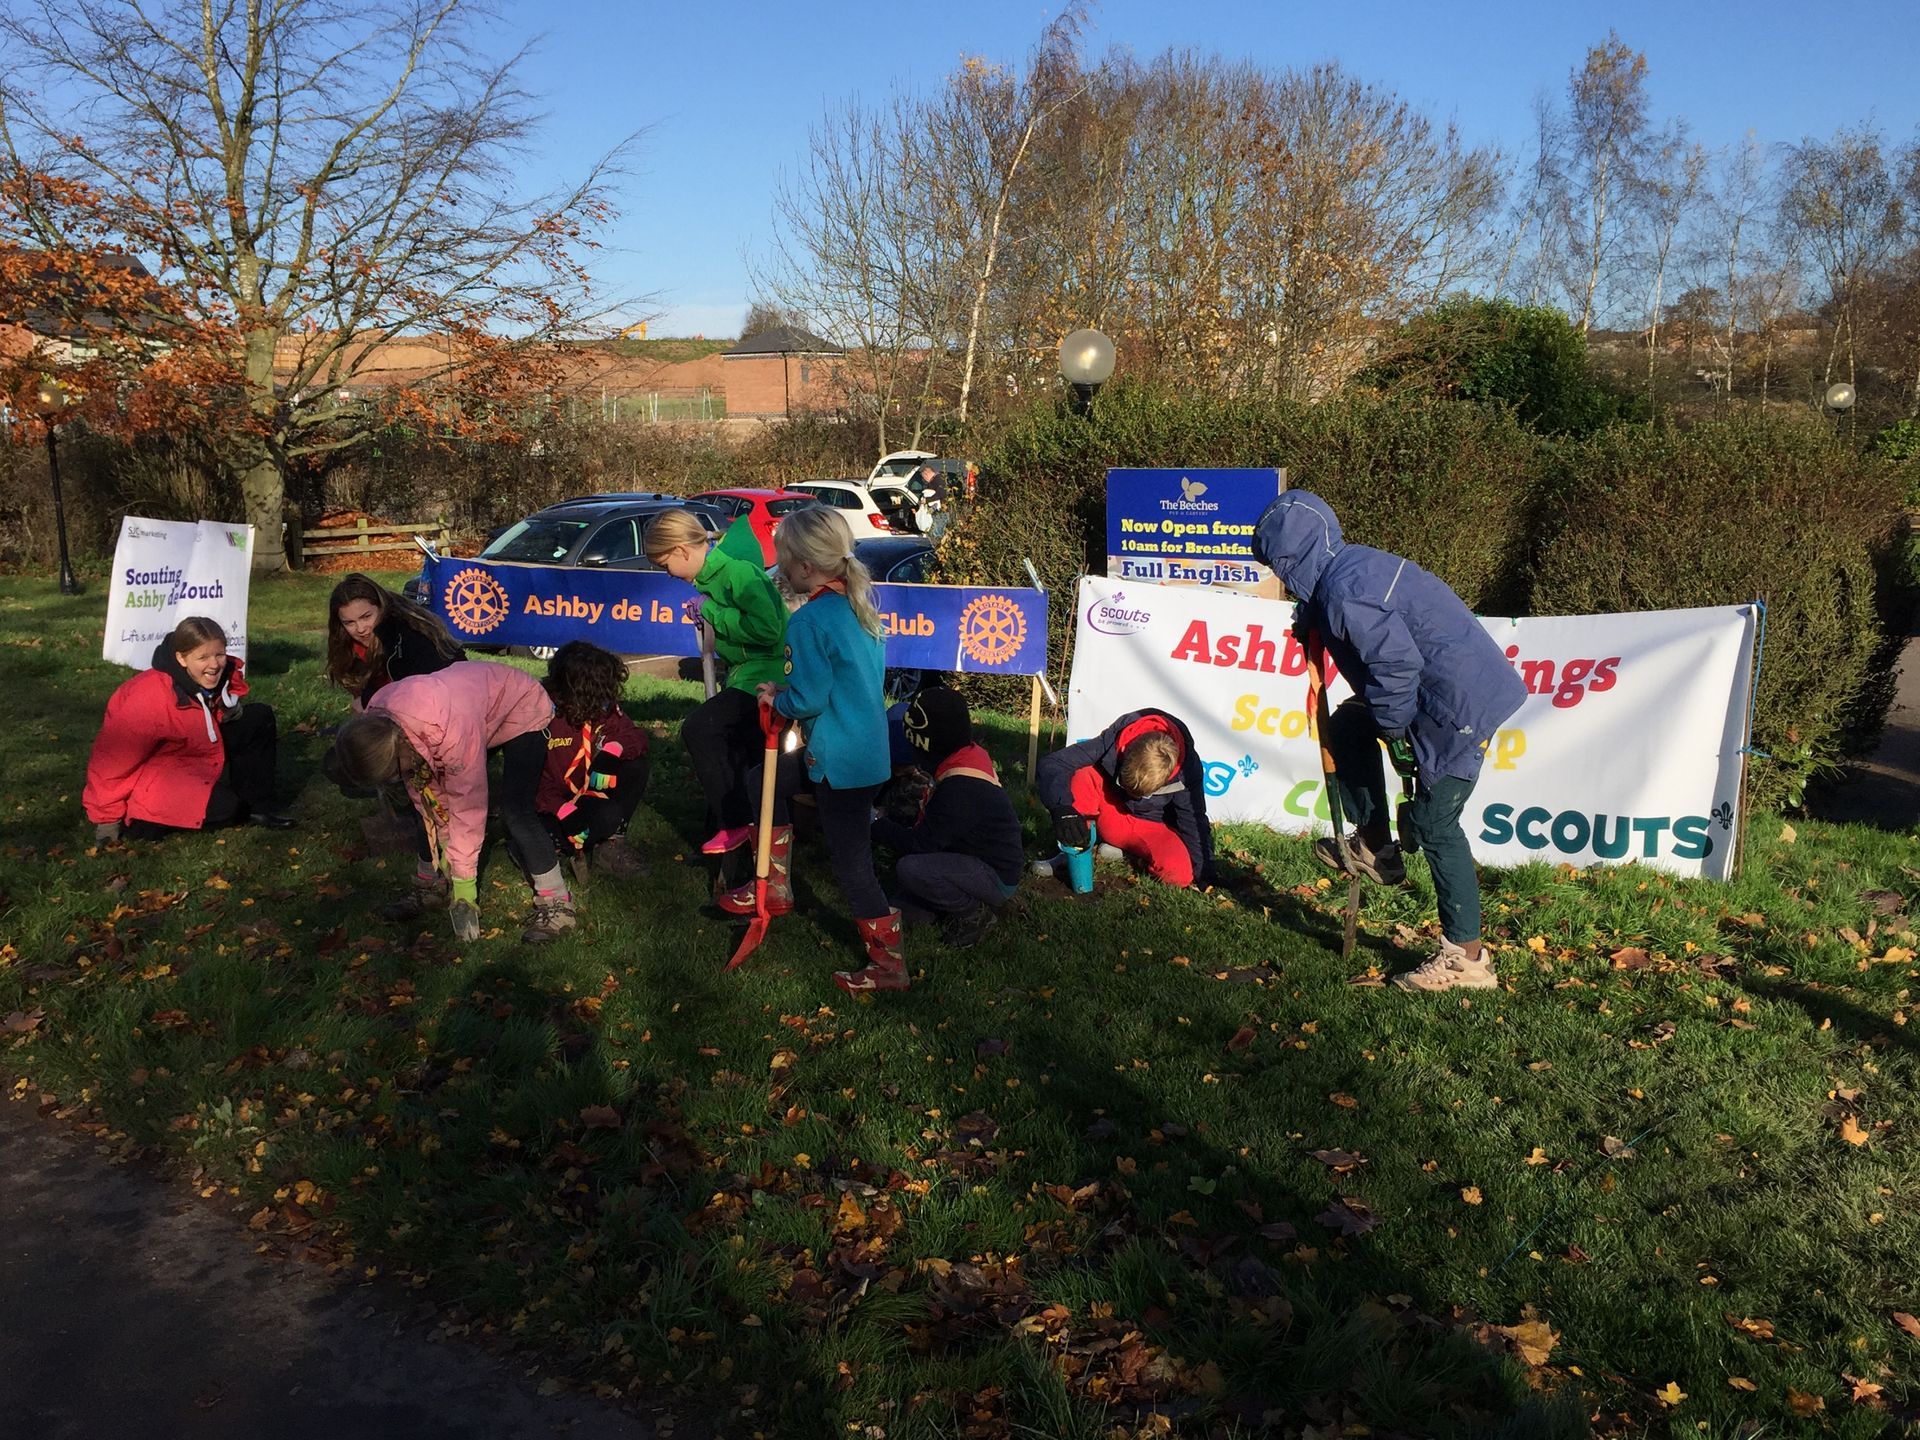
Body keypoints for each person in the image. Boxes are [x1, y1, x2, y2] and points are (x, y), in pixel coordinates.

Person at [1252, 489, 1527, 993]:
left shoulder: (1344, 590)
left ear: (1291, 559)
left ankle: (1466, 963)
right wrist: (1313, 617)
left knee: (1434, 822)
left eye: (1277, 566)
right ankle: (1377, 846)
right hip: (1451, 693)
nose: (1281, 579)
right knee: (1353, 724)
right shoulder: (1347, 571)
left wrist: (1397, 731)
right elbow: (1366, 622)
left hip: (1460, 706)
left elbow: (1396, 663)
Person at [715, 506, 897, 990]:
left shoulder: (809, 621)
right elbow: (840, 681)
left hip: (838, 760)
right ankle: (774, 883)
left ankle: (888, 964)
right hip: (867, 751)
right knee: (763, 783)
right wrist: (791, 688)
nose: (779, 572)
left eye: (783, 563)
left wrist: (779, 697)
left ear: (805, 568)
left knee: (852, 865)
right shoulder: (860, 607)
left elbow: (810, 697)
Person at [329, 659, 572, 945]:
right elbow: (427, 797)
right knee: (425, 809)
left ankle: (557, 902)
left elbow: (468, 806)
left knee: (516, 811)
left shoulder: (447, 731)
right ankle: (430, 884)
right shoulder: (379, 722)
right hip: (462, 710)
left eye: (395, 774)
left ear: (398, 752)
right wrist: (444, 845)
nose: (398, 779)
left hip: (520, 706)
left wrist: (465, 884)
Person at [643, 509, 788, 856]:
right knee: (745, 762)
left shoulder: (736, 572)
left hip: (763, 677)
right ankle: (753, 844)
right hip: (745, 675)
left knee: (700, 729)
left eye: (664, 565)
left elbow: (769, 629)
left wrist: (712, 613)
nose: (668, 574)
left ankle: (735, 823)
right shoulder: (711, 579)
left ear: (681, 550)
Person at [84, 616, 291, 840]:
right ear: (181, 658)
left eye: (219, 654)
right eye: (203, 657)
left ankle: (258, 807)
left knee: (257, 717)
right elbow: (112, 761)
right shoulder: (146, 698)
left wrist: (226, 709)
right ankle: (142, 815)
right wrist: (106, 819)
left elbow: (201, 716)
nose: (214, 664)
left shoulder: (217, 676)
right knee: (229, 809)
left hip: (191, 754)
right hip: (160, 771)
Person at [870, 687, 1023, 955]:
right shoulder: (966, 759)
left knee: (911, 868)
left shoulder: (961, 787)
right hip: (966, 856)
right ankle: (949, 900)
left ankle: (973, 913)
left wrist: (874, 824)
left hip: (993, 872)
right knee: (903, 906)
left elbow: (921, 843)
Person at [1036, 709, 1214, 889]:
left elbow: (1193, 819)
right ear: (1125, 752)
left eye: (1145, 794)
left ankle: (1129, 854)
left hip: (1150, 826)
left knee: (1179, 876)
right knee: (1084, 773)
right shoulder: (1112, 740)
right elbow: (1053, 763)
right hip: (1111, 808)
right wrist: (1062, 809)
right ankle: (1072, 853)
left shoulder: (1188, 769)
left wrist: (1205, 872)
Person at [537, 641, 650, 881]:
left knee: (634, 769)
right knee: (540, 832)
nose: (608, 699)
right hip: (548, 802)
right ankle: (552, 845)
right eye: (602, 691)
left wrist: (612, 750)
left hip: (587, 793)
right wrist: (562, 809)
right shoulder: (540, 713)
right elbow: (528, 779)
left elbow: (634, 736)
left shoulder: (602, 709)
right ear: (582, 690)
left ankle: (610, 845)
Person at [324, 573, 464, 708]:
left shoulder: (409, 637)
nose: (360, 629)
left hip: (447, 703)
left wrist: (367, 702)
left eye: (366, 617)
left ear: (382, 608)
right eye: (349, 622)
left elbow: (418, 696)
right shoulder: (349, 647)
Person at [909, 462, 950, 541]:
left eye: (923, 477)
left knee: (937, 534)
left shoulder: (938, 480)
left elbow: (942, 493)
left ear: (926, 474)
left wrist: (927, 500)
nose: (924, 480)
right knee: (935, 533)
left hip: (939, 512)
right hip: (936, 512)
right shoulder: (935, 480)